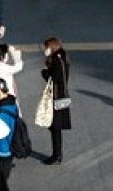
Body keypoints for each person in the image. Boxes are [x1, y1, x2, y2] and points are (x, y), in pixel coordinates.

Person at [41, 37, 72, 165]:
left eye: (46, 47)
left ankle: (56, 155)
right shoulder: (62, 58)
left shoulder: (57, 61)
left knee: (55, 127)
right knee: (55, 127)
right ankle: (57, 154)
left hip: (56, 97)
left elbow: (52, 78)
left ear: (51, 47)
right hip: (62, 96)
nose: (44, 50)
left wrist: (44, 72)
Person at [0, 44, 24, 112]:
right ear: (4, 56)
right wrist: (13, 52)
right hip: (7, 99)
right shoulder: (4, 68)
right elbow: (19, 66)